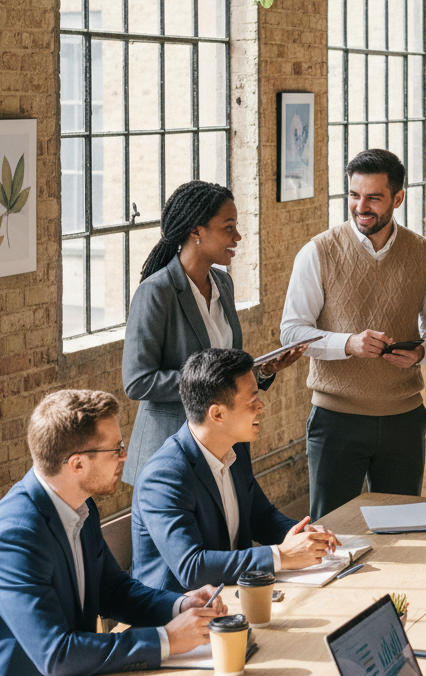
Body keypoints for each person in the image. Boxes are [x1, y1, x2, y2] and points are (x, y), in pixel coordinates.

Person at [0, 390, 224, 676]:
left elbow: (113, 590)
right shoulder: (13, 537)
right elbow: (57, 653)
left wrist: (179, 606)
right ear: (77, 464)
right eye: (116, 448)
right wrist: (167, 639)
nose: (125, 456)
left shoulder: (80, 504)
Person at [280, 149, 426, 519]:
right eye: (354, 195)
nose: (361, 207)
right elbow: (292, 332)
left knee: (402, 527)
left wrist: (422, 352)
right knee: (331, 529)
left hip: (404, 418)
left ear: (398, 198)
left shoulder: (424, 253)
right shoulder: (318, 252)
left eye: (374, 198)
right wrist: (349, 344)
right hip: (335, 419)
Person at [123, 180, 308, 486]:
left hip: (223, 447)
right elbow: (138, 381)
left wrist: (262, 371)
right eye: (228, 227)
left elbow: (224, 369)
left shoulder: (224, 283)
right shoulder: (156, 292)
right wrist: (212, 385)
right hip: (171, 452)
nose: (237, 237)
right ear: (196, 231)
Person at [131, 348, 339, 592]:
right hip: (179, 606)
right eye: (252, 401)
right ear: (218, 414)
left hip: (231, 591)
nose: (261, 406)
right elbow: (192, 568)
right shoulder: (164, 476)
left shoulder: (235, 449)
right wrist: (282, 555)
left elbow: (261, 517)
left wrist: (303, 535)